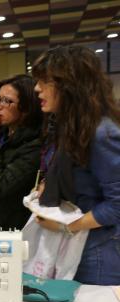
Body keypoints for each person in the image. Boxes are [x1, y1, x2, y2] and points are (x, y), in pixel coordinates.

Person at [32, 45, 120, 285]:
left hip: (97, 253)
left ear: (70, 85)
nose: (37, 89)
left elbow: (117, 204)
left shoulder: (102, 133)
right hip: (76, 247)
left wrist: (65, 226)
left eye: (44, 81)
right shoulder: (71, 128)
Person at [0, 74, 43, 230]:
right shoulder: (2, 134)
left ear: (26, 108)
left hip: (18, 229)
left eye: (7, 101)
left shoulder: (34, 145)